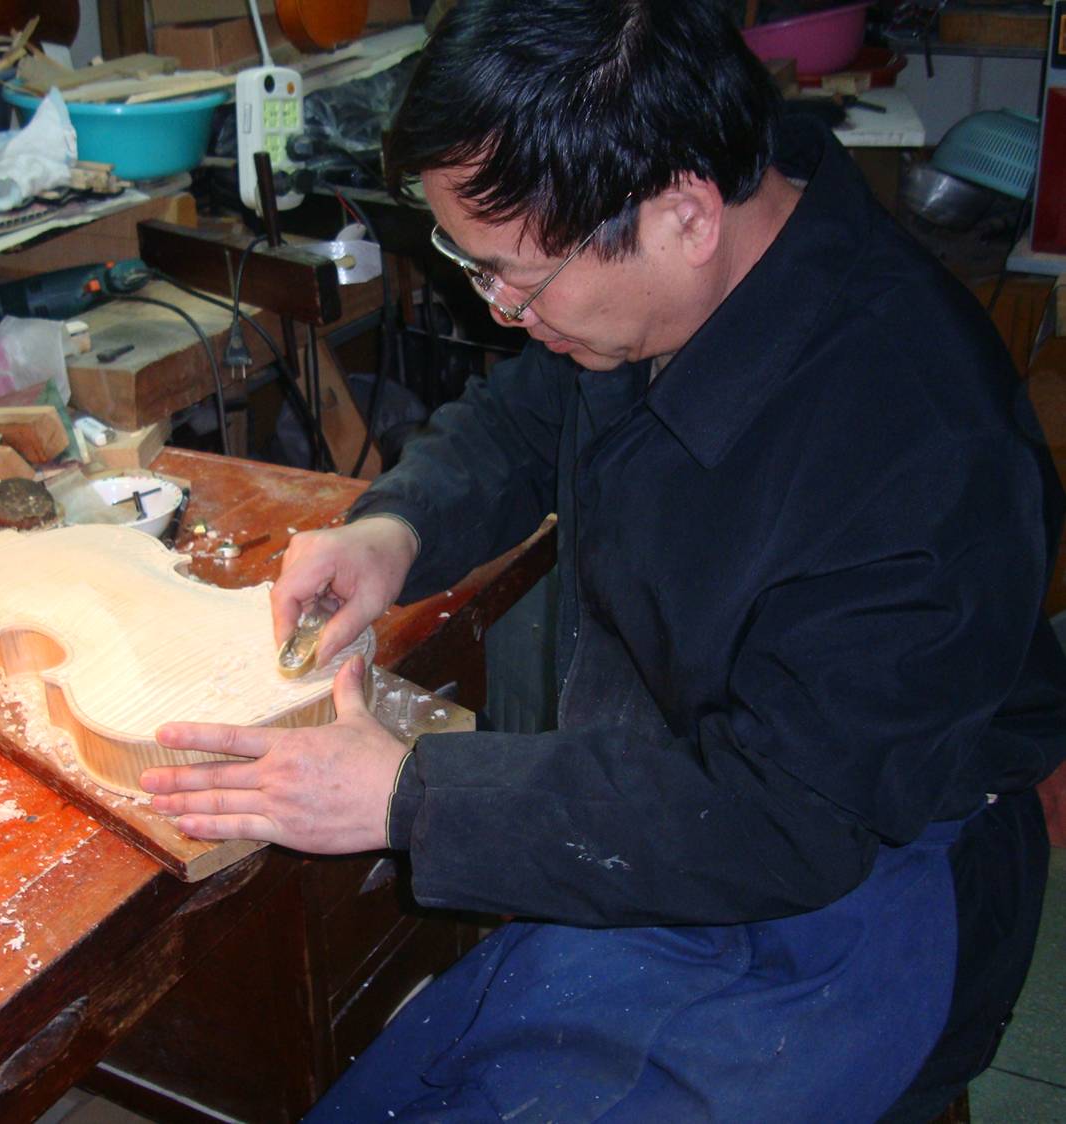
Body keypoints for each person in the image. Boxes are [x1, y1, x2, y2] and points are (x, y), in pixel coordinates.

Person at [140, 1, 1066, 1119]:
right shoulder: (678, 271)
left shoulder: (917, 454)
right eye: (471, 266)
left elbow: (791, 817)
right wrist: (398, 526)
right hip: (672, 782)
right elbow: (539, 409)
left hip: (859, 882)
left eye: (516, 280)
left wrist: (411, 797)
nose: (498, 310)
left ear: (682, 213)